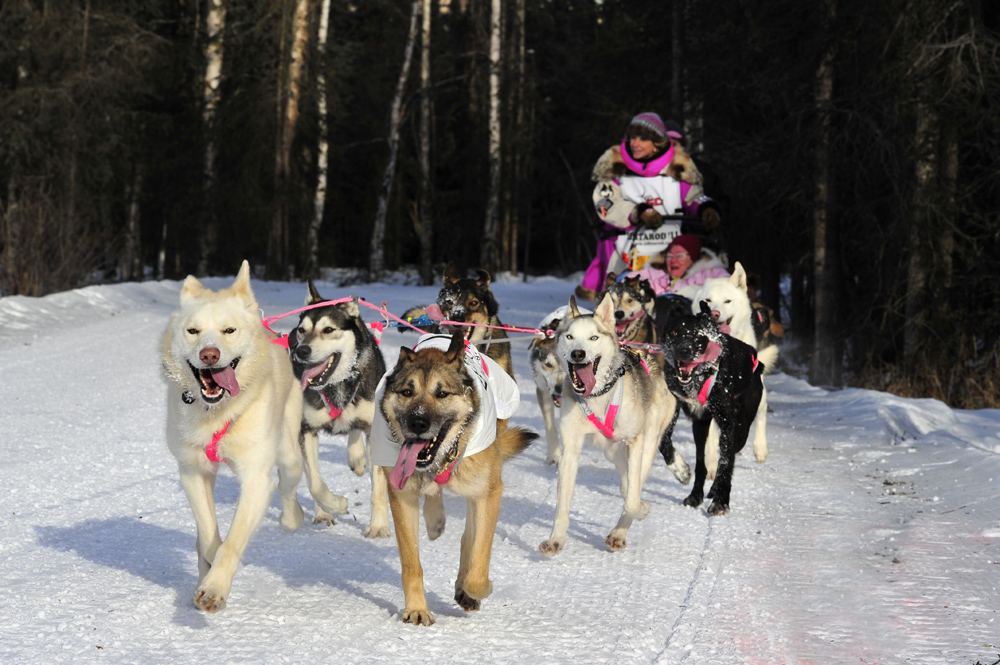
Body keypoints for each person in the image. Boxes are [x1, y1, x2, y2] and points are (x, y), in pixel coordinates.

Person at [575, 112, 721, 301]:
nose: (635, 143)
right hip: (623, 250)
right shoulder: (615, 167)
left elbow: (694, 196)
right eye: (632, 137)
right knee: (616, 303)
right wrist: (637, 212)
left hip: (669, 251)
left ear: (657, 142)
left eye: (643, 139)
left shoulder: (677, 167)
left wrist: (705, 208)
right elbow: (605, 204)